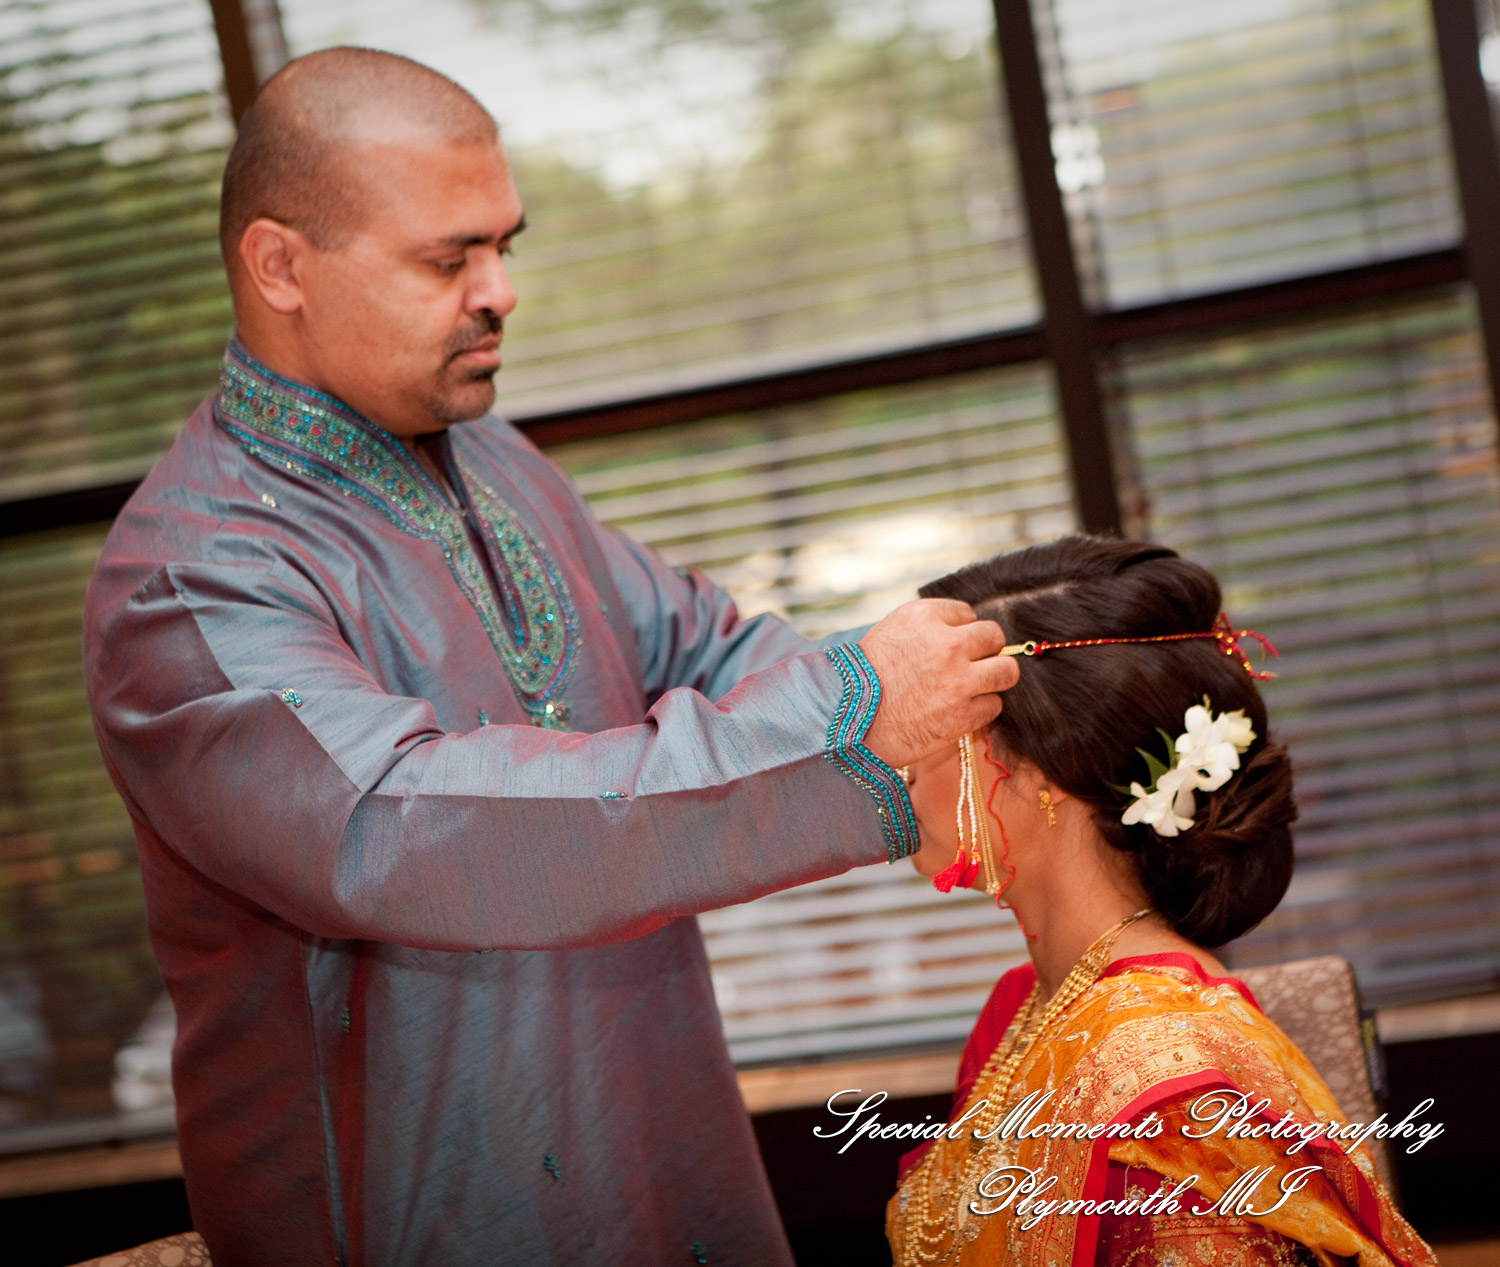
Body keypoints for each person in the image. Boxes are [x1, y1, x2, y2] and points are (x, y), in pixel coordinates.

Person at [81, 47, 1020, 1267]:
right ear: (279, 267)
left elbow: (703, 645)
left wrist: (982, 699)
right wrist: (853, 713)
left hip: (662, 1148)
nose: (500, 291)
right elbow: (405, 830)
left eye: (504, 245)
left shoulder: (492, 461)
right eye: (447, 258)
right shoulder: (189, 580)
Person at [885, 537, 1438, 1267]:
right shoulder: (1025, 1003)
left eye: (934, 735)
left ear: (1041, 766)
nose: (898, 767)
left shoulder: (1171, 1092)